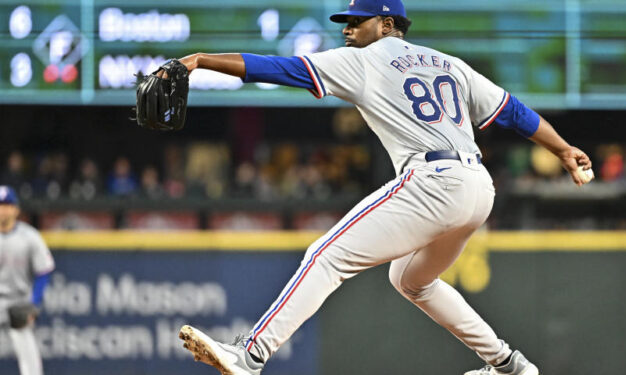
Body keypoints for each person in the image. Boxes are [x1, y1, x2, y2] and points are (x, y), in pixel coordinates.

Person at [176, 1, 593, 374]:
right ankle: (509, 365)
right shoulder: (448, 63)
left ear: (387, 23)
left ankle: (250, 356)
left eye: (358, 20)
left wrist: (201, 60)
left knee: (326, 255)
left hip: (434, 182)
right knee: (411, 280)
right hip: (479, 190)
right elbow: (512, 111)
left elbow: (279, 69)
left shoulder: (364, 60)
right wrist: (563, 149)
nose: (347, 29)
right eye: (347, 21)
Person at [0, 186, 55, 375]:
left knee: (30, 363)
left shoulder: (29, 237)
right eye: (0, 205)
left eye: (7, 205)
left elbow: (44, 270)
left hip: (18, 301)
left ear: (16, 209)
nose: (3, 210)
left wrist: (34, 303)